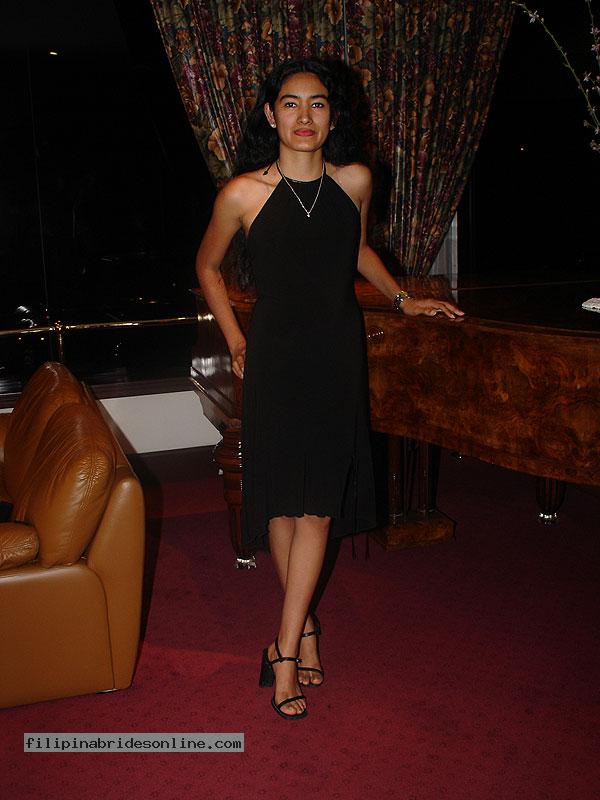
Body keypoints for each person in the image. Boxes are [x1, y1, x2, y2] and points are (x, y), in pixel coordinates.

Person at [196, 57, 463, 721]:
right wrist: (235, 340)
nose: (304, 116)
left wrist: (403, 298)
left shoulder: (355, 180)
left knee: (316, 507)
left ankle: (283, 651)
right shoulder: (242, 194)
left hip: (335, 357)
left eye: (317, 103)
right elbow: (207, 267)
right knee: (282, 504)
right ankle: (306, 629)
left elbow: (357, 250)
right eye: (291, 103)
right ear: (271, 114)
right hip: (274, 359)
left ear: (333, 115)